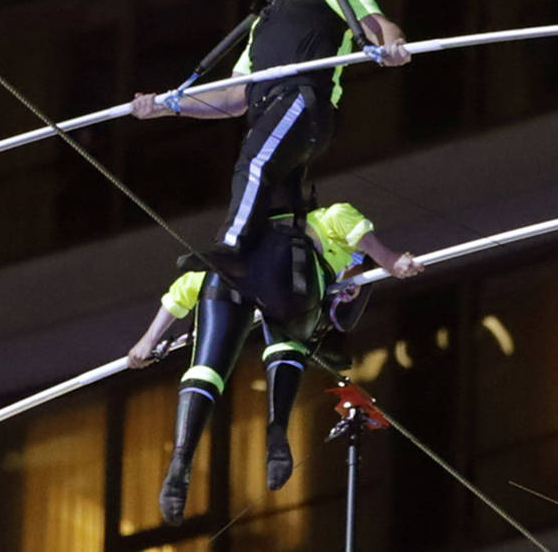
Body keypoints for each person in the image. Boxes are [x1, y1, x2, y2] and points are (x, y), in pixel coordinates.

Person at [131, 0, 411, 283]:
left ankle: (232, 248)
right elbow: (233, 96)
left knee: (255, 162)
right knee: (279, 207)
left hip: (303, 101)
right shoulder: (261, 22)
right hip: (273, 114)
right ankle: (303, 276)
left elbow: (377, 24)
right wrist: (167, 105)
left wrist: (394, 45)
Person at [126, 202, 423, 525]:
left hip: (258, 279)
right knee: (233, 360)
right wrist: (391, 260)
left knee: (271, 347)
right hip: (279, 267)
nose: (351, 290)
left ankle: (270, 441)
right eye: (354, 282)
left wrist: (149, 340)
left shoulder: (328, 277)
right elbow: (186, 289)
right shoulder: (331, 220)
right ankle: (184, 463)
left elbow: (190, 288)